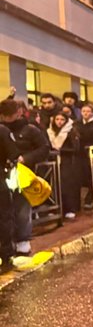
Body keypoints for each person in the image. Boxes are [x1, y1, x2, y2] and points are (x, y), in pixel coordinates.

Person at [2, 99, 51, 255]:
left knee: (22, 207)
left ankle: (23, 240)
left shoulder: (30, 129)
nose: (7, 118)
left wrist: (26, 158)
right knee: (5, 210)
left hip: (23, 174)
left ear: (19, 113)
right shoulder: (2, 129)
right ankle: (7, 241)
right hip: (4, 174)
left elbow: (44, 148)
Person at [46, 112, 83, 219]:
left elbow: (76, 148)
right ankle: (56, 208)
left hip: (68, 162)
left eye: (62, 119)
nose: (59, 122)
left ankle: (69, 208)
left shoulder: (70, 131)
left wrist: (61, 151)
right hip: (54, 161)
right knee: (54, 185)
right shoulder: (50, 131)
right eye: (57, 119)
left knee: (67, 186)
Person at [0, 116, 17, 273]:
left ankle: (6, 257)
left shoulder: (2, 130)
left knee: (4, 219)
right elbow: (13, 154)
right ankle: (6, 256)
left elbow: (13, 154)